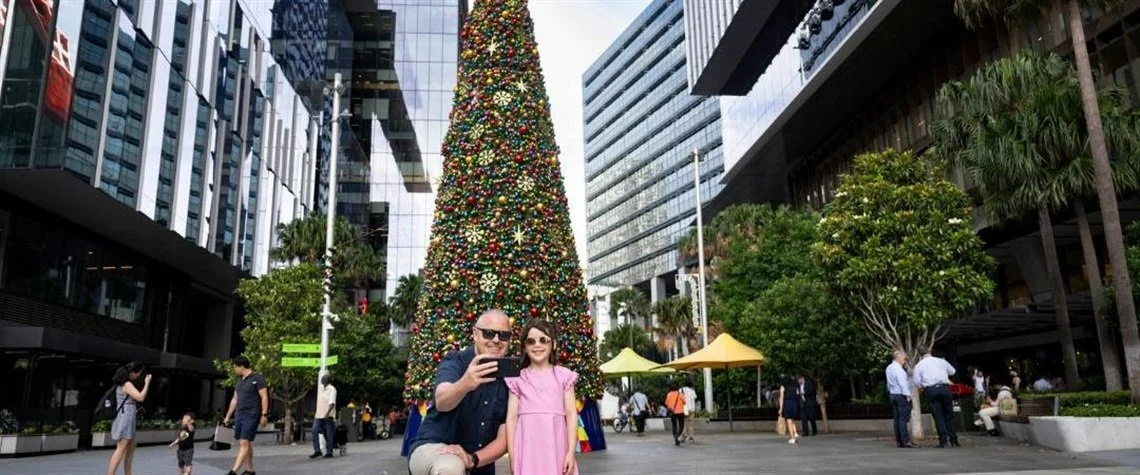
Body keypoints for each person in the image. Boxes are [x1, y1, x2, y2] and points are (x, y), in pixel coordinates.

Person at [408, 309, 512, 475]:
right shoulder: (455, 361)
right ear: (475, 334)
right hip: (435, 448)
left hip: (478, 463)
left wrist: (472, 459)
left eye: (504, 335)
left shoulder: (510, 378)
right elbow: (442, 401)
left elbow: (505, 438)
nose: (496, 340)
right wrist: (465, 383)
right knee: (451, 467)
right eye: (489, 333)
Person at [504, 319, 579, 475]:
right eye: (531, 341)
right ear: (524, 347)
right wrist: (513, 456)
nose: (537, 345)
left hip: (557, 449)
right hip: (527, 451)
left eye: (543, 340)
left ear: (554, 344)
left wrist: (571, 452)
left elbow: (572, 415)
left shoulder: (564, 376)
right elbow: (511, 419)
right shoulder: (517, 379)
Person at [222, 355, 269, 475]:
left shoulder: (257, 378)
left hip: (252, 414)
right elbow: (234, 399)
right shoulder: (239, 381)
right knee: (246, 443)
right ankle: (250, 470)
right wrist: (228, 416)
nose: (234, 370)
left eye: (234, 367)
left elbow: (264, 396)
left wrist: (264, 414)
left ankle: (233, 471)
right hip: (239, 414)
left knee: (244, 443)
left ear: (241, 366)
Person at [107, 361, 151, 475]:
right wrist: (147, 383)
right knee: (121, 448)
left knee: (130, 448)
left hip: (126, 417)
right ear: (132, 373)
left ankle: (128, 473)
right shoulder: (127, 384)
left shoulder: (123, 384)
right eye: (138, 373)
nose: (139, 376)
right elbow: (140, 397)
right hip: (126, 418)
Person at [913, 348, 959, 448]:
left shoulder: (919, 365)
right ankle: (954, 439)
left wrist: (922, 387)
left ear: (920, 355)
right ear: (929, 352)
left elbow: (916, 381)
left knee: (938, 416)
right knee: (949, 415)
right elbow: (952, 372)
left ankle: (943, 441)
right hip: (944, 388)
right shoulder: (941, 361)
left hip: (931, 390)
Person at [886, 351, 916, 448]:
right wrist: (908, 395)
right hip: (901, 395)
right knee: (903, 419)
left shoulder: (889, 368)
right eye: (904, 358)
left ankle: (899, 441)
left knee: (897, 418)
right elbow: (902, 383)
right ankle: (906, 440)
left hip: (893, 394)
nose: (905, 360)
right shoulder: (898, 369)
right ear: (898, 358)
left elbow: (888, 383)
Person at [309, 373, 336, 459]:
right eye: (322, 379)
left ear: (328, 380)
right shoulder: (321, 389)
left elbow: (332, 403)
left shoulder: (332, 389)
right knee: (314, 430)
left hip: (327, 415)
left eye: (324, 379)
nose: (322, 380)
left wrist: (327, 414)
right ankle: (317, 450)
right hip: (319, 414)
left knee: (328, 433)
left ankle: (329, 452)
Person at [778, 375, 801, 444]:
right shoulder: (795, 386)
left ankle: (792, 438)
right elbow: (798, 395)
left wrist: (781, 408)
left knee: (788, 421)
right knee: (793, 420)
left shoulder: (783, 386)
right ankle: (794, 435)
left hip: (787, 403)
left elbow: (781, 398)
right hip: (794, 403)